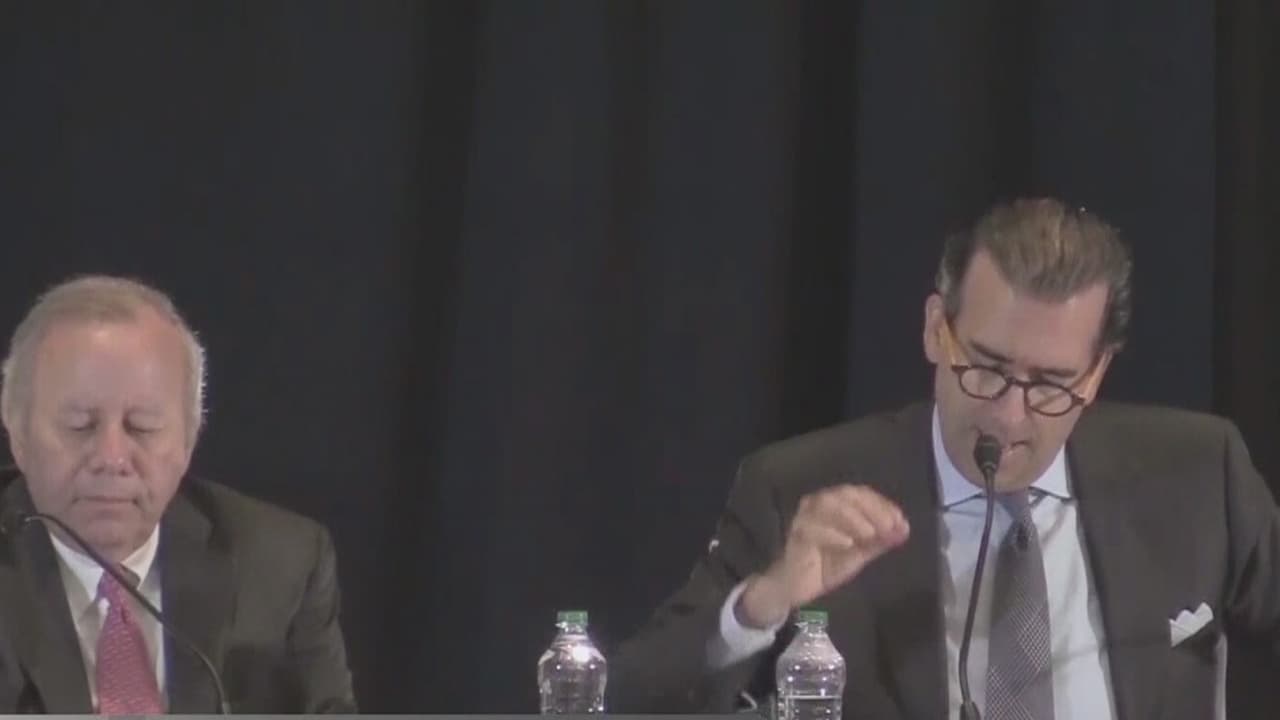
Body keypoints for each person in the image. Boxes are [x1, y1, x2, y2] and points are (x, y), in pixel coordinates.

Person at [607, 198, 1277, 720]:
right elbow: (631, 696)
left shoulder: (1197, 473)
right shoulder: (798, 486)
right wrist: (764, 601)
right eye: (985, 368)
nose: (1009, 416)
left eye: (1051, 385)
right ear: (936, 330)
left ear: (1097, 372)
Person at [0, 275, 356, 713]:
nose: (112, 458)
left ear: (189, 439)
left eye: (142, 427)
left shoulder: (281, 566)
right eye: (80, 426)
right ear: (17, 433)